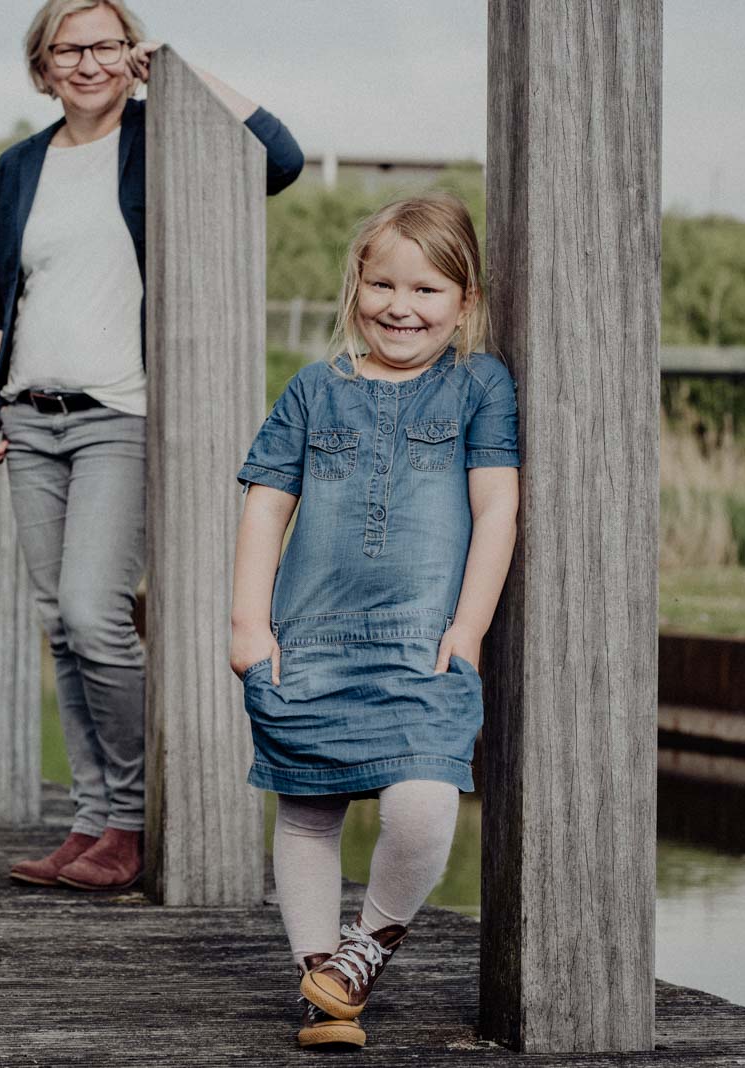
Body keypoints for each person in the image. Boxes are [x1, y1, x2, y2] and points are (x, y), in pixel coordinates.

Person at [0, 0, 304, 892]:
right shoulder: (20, 165)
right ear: (42, 67)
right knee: (60, 627)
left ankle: (132, 816)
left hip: (120, 413)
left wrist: (185, 78)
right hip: (29, 414)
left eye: (107, 45)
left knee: (93, 612)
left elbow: (279, 159)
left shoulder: (164, 137)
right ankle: (89, 821)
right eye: (67, 48)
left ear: (132, 54)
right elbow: (9, 288)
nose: (88, 62)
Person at [230, 193, 519, 1050]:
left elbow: (498, 509)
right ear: (356, 284)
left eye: (429, 290)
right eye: (384, 284)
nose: (402, 306)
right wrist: (249, 624)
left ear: (464, 303)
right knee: (310, 810)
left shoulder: (478, 387)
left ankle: (368, 947)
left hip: (422, 645)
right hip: (310, 640)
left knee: (426, 803)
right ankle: (320, 987)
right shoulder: (314, 390)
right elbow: (265, 506)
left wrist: (467, 632)